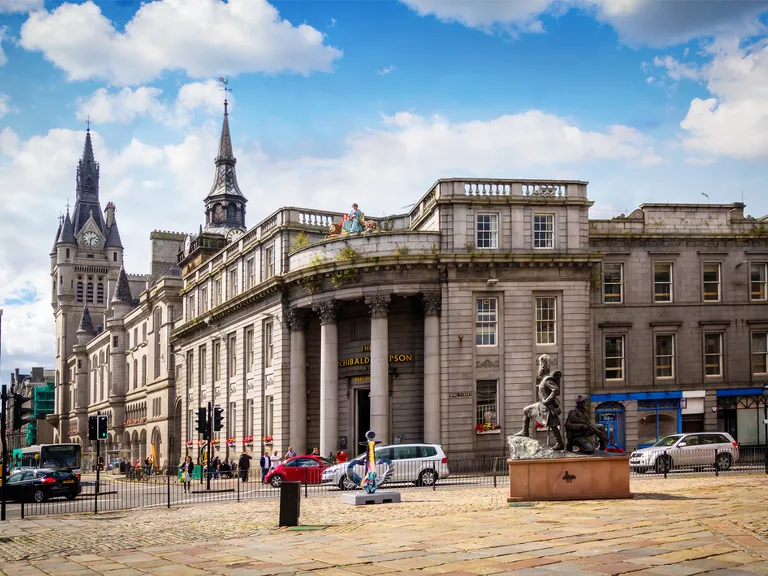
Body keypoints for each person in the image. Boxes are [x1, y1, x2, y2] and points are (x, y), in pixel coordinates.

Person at [514, 354, 565, 450]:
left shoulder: (547, 379)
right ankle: (525, 431)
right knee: (526, 410)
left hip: (547, 407)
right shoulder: (544, 379)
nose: (539, 369)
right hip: (541, 405)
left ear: (543, 369)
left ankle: (560, 443)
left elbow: (556, 390)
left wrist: (547, 401)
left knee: (553, 425)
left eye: (540, 367)